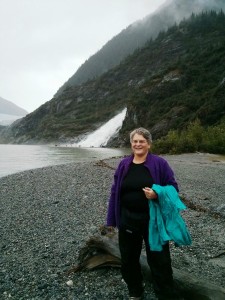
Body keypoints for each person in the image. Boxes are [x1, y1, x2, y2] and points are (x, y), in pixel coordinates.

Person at [106, 127, 185, 300]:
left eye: (142, 141)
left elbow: (173, 188)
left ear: (148, 144)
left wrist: (157, 194)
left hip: (153, 220)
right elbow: (115, 192)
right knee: (128, 258)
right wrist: (111, 218)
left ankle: (165, 293)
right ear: (131, 144)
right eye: (135, 141)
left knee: (159, 259)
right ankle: (135, 290)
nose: (138, 144)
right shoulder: (124, 164)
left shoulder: (160, 163)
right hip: (128, 219)